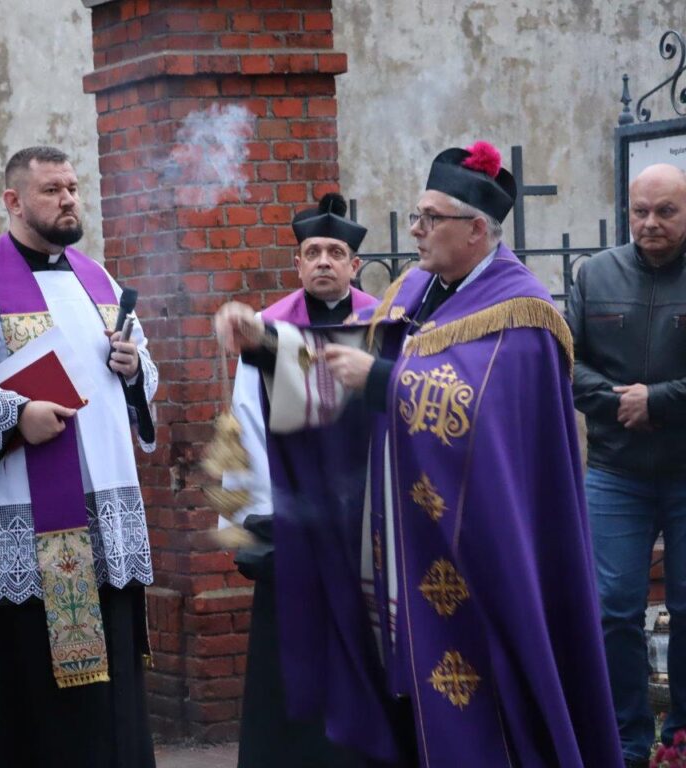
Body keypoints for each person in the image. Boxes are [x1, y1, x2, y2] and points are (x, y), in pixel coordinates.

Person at [216, 141, 623, 766]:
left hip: (479, 550)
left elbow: (480, 414)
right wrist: (266, 344)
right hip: (406, 545)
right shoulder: (416, 290)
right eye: (416, 215)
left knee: (481, 710)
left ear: (476, 229)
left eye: (430, 218)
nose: (415, 230)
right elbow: (352, 365)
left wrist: (382, 379)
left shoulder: (524, 313)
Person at [0, 146, 157, 767]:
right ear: (14, 202)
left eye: (72, 187)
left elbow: (138, 383)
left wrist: (135, 370)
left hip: (98, 533)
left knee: (100, 719)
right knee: (18, 713)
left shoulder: (99, 281)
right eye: (52, 190)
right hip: (16, 536)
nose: (68, 199)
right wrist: (17, 416)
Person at [222, 192, 375, 768]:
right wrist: (257, 520)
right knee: (293, 660)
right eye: (312, 252)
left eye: (335, 252)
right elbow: (244, 423)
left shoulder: (383, 323)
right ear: (297, 263)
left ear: (355, 264)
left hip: (364, 524)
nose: (323, 262)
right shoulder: (268, 330)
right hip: (294, 523)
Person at [567, 163, 686, 768]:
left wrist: (657, 401)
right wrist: (620, 402)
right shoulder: (594, 274)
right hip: (615, 472)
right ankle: (627, 741)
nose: (651, 223)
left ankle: (681, 736)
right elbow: (566, 362)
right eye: (641, 211)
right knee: (613, 608)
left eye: (666, 211)